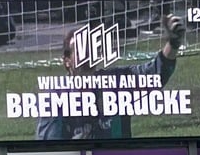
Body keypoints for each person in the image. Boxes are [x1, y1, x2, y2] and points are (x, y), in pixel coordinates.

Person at [36, 14, 185, 140]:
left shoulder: (116, 83)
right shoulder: (55, 97)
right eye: (81, 50)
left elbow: (156, 73)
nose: (87, 55)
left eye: (91, 49)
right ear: (67, 60)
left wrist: (173, 43)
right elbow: (48, 148)